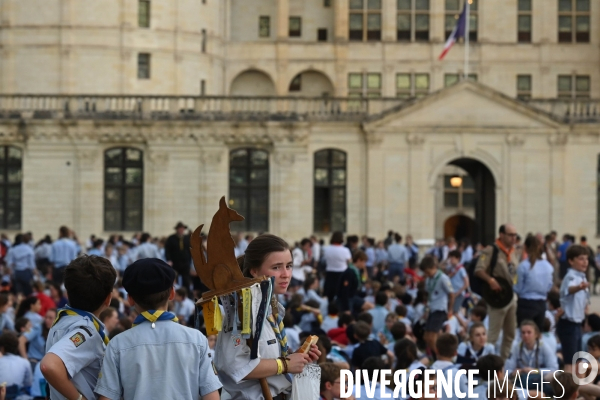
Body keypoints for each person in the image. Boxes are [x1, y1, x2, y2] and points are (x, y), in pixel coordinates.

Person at [94, 258, 221, 400]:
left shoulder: (117, 344)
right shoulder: (196, 339)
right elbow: (212, 396)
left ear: (130, 299)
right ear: (172, 293)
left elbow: (107, 398)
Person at [214, 234, 321, 400]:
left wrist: (298, 357)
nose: (286, 274)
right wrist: (284, 364)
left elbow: (264, 356)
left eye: (289, 266)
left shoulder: (270, 307)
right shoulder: (243, 311)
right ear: (254, 270)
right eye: (277, 267)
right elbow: (234, 366)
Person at [41, 255, 116, 400]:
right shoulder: (85, 331)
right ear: (108, 299)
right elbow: (49, 366)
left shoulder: (64, 321)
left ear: (68, 294)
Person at [475, 223, 520, 359]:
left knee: (510, 333)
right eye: (510, 235)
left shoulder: (513, 252)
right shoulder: (491, 250)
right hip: (497, 297)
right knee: (493, 334)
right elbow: (479, 270)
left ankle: (503, 363)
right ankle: (485, 362)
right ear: (501, 235)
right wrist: (490, 280)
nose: (513, 238)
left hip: (511, 295)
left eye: (515, 235)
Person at [556, 244, 590, 374]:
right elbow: (570, 289)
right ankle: (567, 391)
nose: (585, 262)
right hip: (568, 324)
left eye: (586, 259)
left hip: (577, 324)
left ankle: (576, 391)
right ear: (571, 261)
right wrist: (579, 288)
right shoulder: (571, 276)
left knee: (577, 362)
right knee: (569, 363)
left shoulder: (581, 276)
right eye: (581, 259)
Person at [514, 235, 553, 331]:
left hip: (526, 303)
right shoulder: (548, 266)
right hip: (541, 303)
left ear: (525, 247)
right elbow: (549, 285)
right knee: (537, 333)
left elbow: (517, 287)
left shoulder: (523, 266)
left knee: (524, 333)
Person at [421, 255, 454, 357]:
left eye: (428, 272)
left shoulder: (443, 278)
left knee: (432, 338)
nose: (427, 274)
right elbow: (428, 295)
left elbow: (451, 294)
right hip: (432, 308)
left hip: (440, 309)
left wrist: (450, 310)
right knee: (426, 337)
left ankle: (441, 357)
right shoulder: (428, 279)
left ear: (434, 267)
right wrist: (426, 310)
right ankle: (440, 353)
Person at [0, 331, 32, 396]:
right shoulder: (25, 362)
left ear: (2, 348)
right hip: (18, 395)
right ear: (17, 346)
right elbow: (28, 384)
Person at [323, 232, 352, 302]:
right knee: (342, 293)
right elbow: (350, 262)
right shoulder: (345, 250)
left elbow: (325, 260)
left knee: (330, 294)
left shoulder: (327, 249)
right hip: (342, 273)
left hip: (330, 273)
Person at [164, 222, 192, 293]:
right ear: (177, 229)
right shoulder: (171, 238)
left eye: (182, 229)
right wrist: (169, 260)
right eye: (180, 229)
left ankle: (187, 294)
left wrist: (191, 261)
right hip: (175, 262)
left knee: (186, 280)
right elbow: (167, 250)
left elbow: (190, 250)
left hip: (185, 262)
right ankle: (173, 293)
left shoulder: (187, 238)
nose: (181, 230)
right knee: (174, 278)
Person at [444, 250, 469, 314]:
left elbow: (466, 283)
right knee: (449, 311)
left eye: (452, 258)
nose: (451, 260)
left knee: (455, 311)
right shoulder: (450, 268)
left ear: (457, 258)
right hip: (451, 293)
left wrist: (457, 293)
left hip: (458, 294)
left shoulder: (461, 269)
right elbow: (441, 267)